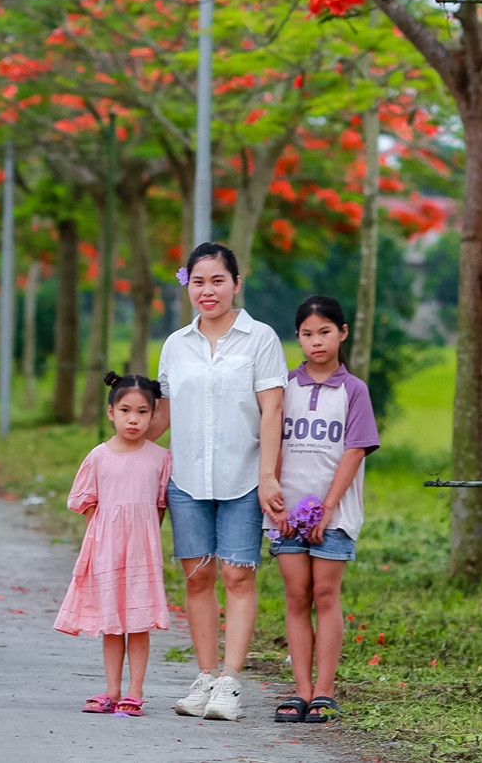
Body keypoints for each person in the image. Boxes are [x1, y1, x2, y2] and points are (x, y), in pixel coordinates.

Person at [149, 240, 288, 722]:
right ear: (188, 284)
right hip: (186, 476)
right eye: (199, 282)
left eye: (218, 281)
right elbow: (162, 414)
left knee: (237, 575)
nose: (208, 291)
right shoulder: (175, 344)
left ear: (235, 283)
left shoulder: (260, 339)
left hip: (243, 476)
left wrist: (268, 475)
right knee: (198, 577)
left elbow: (273, 409)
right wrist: (121, 450)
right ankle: (205, 676)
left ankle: (230, 682)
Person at [270, 295, 380, 726]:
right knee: (296, 595)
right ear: (297, 337)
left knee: (324, 594)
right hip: (286, 513)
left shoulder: (354, 391)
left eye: (325, 332)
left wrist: (329, 508)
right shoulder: (284, 386)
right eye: (307, 334)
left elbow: (355, 451)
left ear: (342, 333)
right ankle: (300, 690)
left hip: (334, 515)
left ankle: (325, 691)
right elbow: (272, 443)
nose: (316, 342)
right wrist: (274, 497)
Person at [56, 372, 172, 716]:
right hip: (106, 550)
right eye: (125, 411)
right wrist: (104, 532)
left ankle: (135, 691)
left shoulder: (160, 458)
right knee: (112, 623)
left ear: (154, 415)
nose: (133, 419)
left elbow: (161, 505)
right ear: (111, 412)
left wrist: (144, 535)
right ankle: (111, 689)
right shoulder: (99, 456)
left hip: (142, 554)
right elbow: (83, 499)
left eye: (141, 412)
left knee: (137, 621)